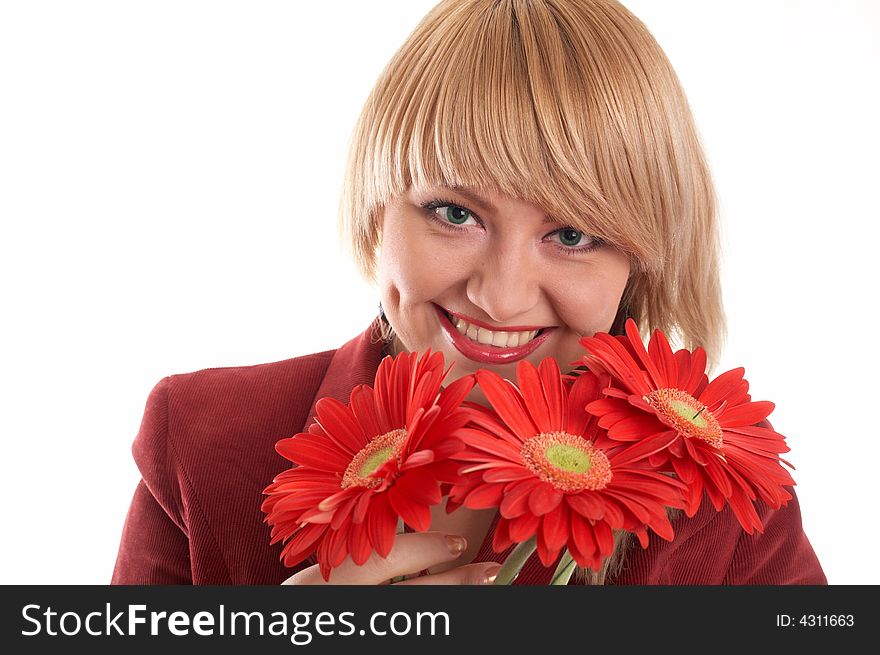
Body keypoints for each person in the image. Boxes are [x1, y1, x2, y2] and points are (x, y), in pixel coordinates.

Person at [111, 0, 826, 585]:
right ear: (377, 209)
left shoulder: (728, 511)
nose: (502, 297)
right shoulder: (199, 446)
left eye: (573, 233)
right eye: (455, 213)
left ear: (640, 262)